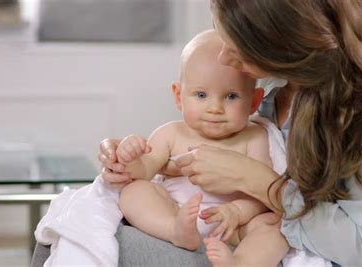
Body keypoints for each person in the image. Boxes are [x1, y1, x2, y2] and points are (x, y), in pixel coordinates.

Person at [98, 1, 362, 266]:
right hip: (260, 227)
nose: (224, 57)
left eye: (240, 47)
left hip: (327, 251)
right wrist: (128, 160)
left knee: (114, 248)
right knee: (103, 223)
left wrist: (256, 181)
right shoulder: (281, 74)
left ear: (285, 44)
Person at [115, 29, 289, 267]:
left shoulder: (255, 138)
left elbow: (263, 195)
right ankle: (173, 231)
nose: (214, 108)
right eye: (201, 94)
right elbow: (144, 170)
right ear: (179, 96)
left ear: (254, 102)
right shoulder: (171, 134)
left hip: (233, 226)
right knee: (134, 191)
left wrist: (237, 212)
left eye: (230, 96)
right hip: (175, 210)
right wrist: (131, 155)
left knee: (275, 227)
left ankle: (241, 262)